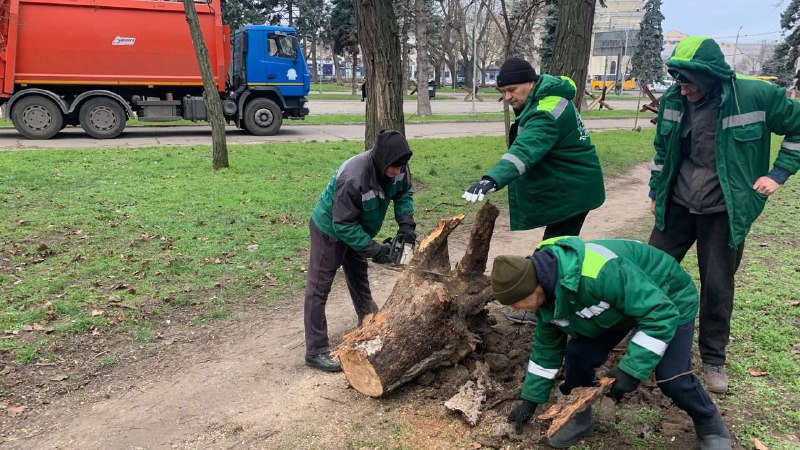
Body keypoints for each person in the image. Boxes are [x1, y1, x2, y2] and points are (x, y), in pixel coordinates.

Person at [648, 36, 800, 393]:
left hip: (724, 210)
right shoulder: (674, 99)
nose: (683, 90)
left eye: (689, 82)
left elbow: (797, 128)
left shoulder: (755, 97)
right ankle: (639, 337)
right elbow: (662, 149)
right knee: (649, 271)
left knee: (717, 285)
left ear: (712, 75)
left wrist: (778, 174)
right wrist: (656, 190)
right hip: (679, 204)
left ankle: (713, 359)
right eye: (678, 81)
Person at [491, 237, 731, 450]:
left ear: (536, 286)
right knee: (578, 357)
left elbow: (660, 313)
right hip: (615, 309)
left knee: (672, 376)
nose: (516, 310)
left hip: (666, 297)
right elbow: (546, 350)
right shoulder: (548, 300)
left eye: (518, 302)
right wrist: (531, 400)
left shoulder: (599, 272)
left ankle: (709, 423)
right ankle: (580, 418)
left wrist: (630, 370)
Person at [462, 57, 606, 325]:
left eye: (512, 90)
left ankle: (548, 309)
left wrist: (492, 179)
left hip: (573, 191)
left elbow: (526, 150)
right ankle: (553, 303)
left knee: (552, 252)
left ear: (531, 82)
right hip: (568, 186)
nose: (507, 97)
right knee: (555, 249)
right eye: (502, 92)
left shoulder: (546, 111)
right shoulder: (545, 99)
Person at [304, 130, 416, 372]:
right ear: (381, 161)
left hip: (358, 227)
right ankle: (316, 350)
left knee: (358, 275)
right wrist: (376, 250)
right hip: (330, 230)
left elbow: (405, 192)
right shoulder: (353, 177)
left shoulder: (399, 166)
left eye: (401, 167)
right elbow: (341, 224)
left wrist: (406, 223)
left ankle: (367, 320)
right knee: (318, 288)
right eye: (394, 168)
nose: (398, 172)